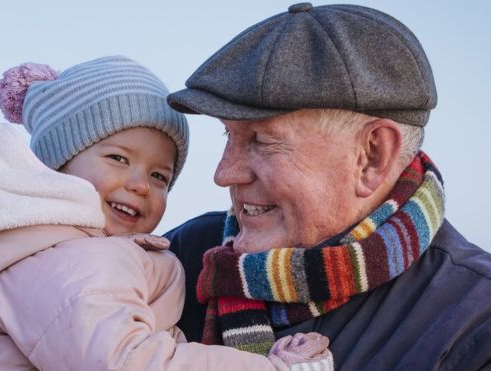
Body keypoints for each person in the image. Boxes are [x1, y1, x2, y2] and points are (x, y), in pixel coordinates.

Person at [0, 55, 333, 370]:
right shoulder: (65, 262)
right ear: (55, 165)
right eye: (118, 159)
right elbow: (128, 361)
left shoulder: (43, 248)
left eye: (161, 176)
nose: (140, 184)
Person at [165, 3, 491, 370]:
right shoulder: (182, 255)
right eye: (229, 134)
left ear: (372, 156)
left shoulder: (475, 324)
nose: (224, 173)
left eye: (262, 139)